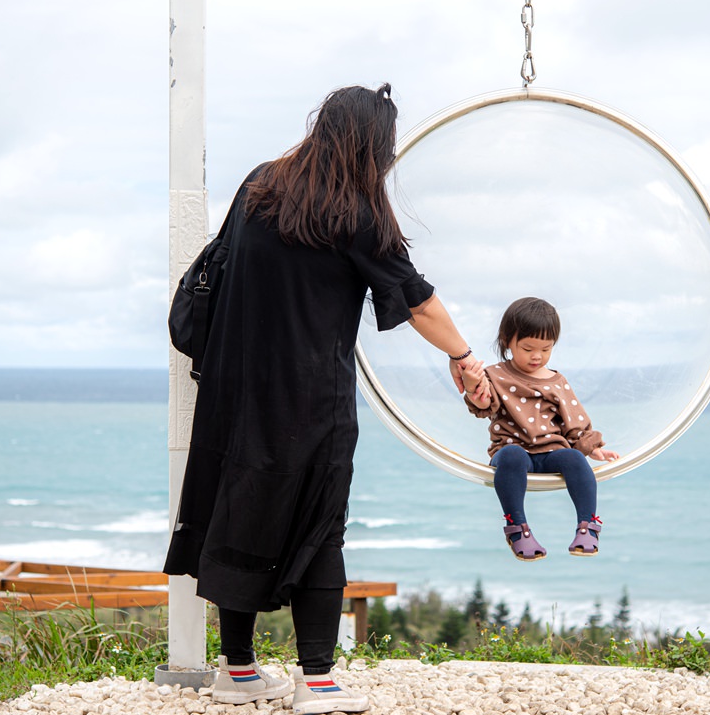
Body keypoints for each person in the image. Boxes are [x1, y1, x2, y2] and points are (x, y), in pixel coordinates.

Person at [163, 84, 484, 714]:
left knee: (240, 512)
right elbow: (415, 298)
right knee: (319, 525)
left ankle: (240, 671)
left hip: (233, 389)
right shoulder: (357, 213)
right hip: (311, 398)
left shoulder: (260, 185)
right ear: (374, 144)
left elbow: (219, 265)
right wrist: (465, 356)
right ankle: (317, 679)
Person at [460, 297, 619, 562]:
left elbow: (574, 422)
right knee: (512, 455)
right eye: (528, 348)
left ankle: (588, 525)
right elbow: (483, 404)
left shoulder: (556, 381)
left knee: (574, 458)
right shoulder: (495, 375)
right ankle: (517, 528)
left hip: (550, 453)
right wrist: (473, 386)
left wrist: (593, 448)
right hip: (511, 452)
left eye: (546, 349)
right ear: (507, 341)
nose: (537, 356)